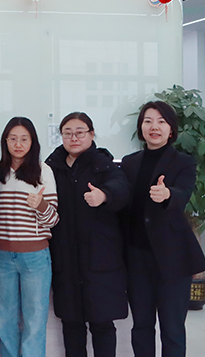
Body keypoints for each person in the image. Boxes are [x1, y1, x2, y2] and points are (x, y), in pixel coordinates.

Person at [121, 101, 205, 357]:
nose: (154, 127)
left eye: (161, 121)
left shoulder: (184, 162)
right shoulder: (129, 163)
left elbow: (183, 192)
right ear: (141, 127)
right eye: (148, 121)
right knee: (141, 326)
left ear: (171, 129)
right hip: (137, 257)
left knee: (172, 329)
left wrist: (168, 194)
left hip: (173, 259)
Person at [45, 112, 129, 357]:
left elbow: (121, 189)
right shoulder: (52, 167)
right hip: (65, 256)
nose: (74, 138)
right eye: (68, 133)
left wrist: (104, 195)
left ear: (91, 134)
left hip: (99, 257)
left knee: (102, 322)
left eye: (80, 132)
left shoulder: (103, 164)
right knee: (71, 323)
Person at [0, 116, 59, 357]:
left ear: (33, 142)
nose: (18, 144)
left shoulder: (43, 171)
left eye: (24, 139)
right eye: (13, 139)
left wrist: (40, 205)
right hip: (2, 256)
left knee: (35, 320)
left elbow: (53, 220)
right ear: (5, 141)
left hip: (35, 256)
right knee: (5, 319)